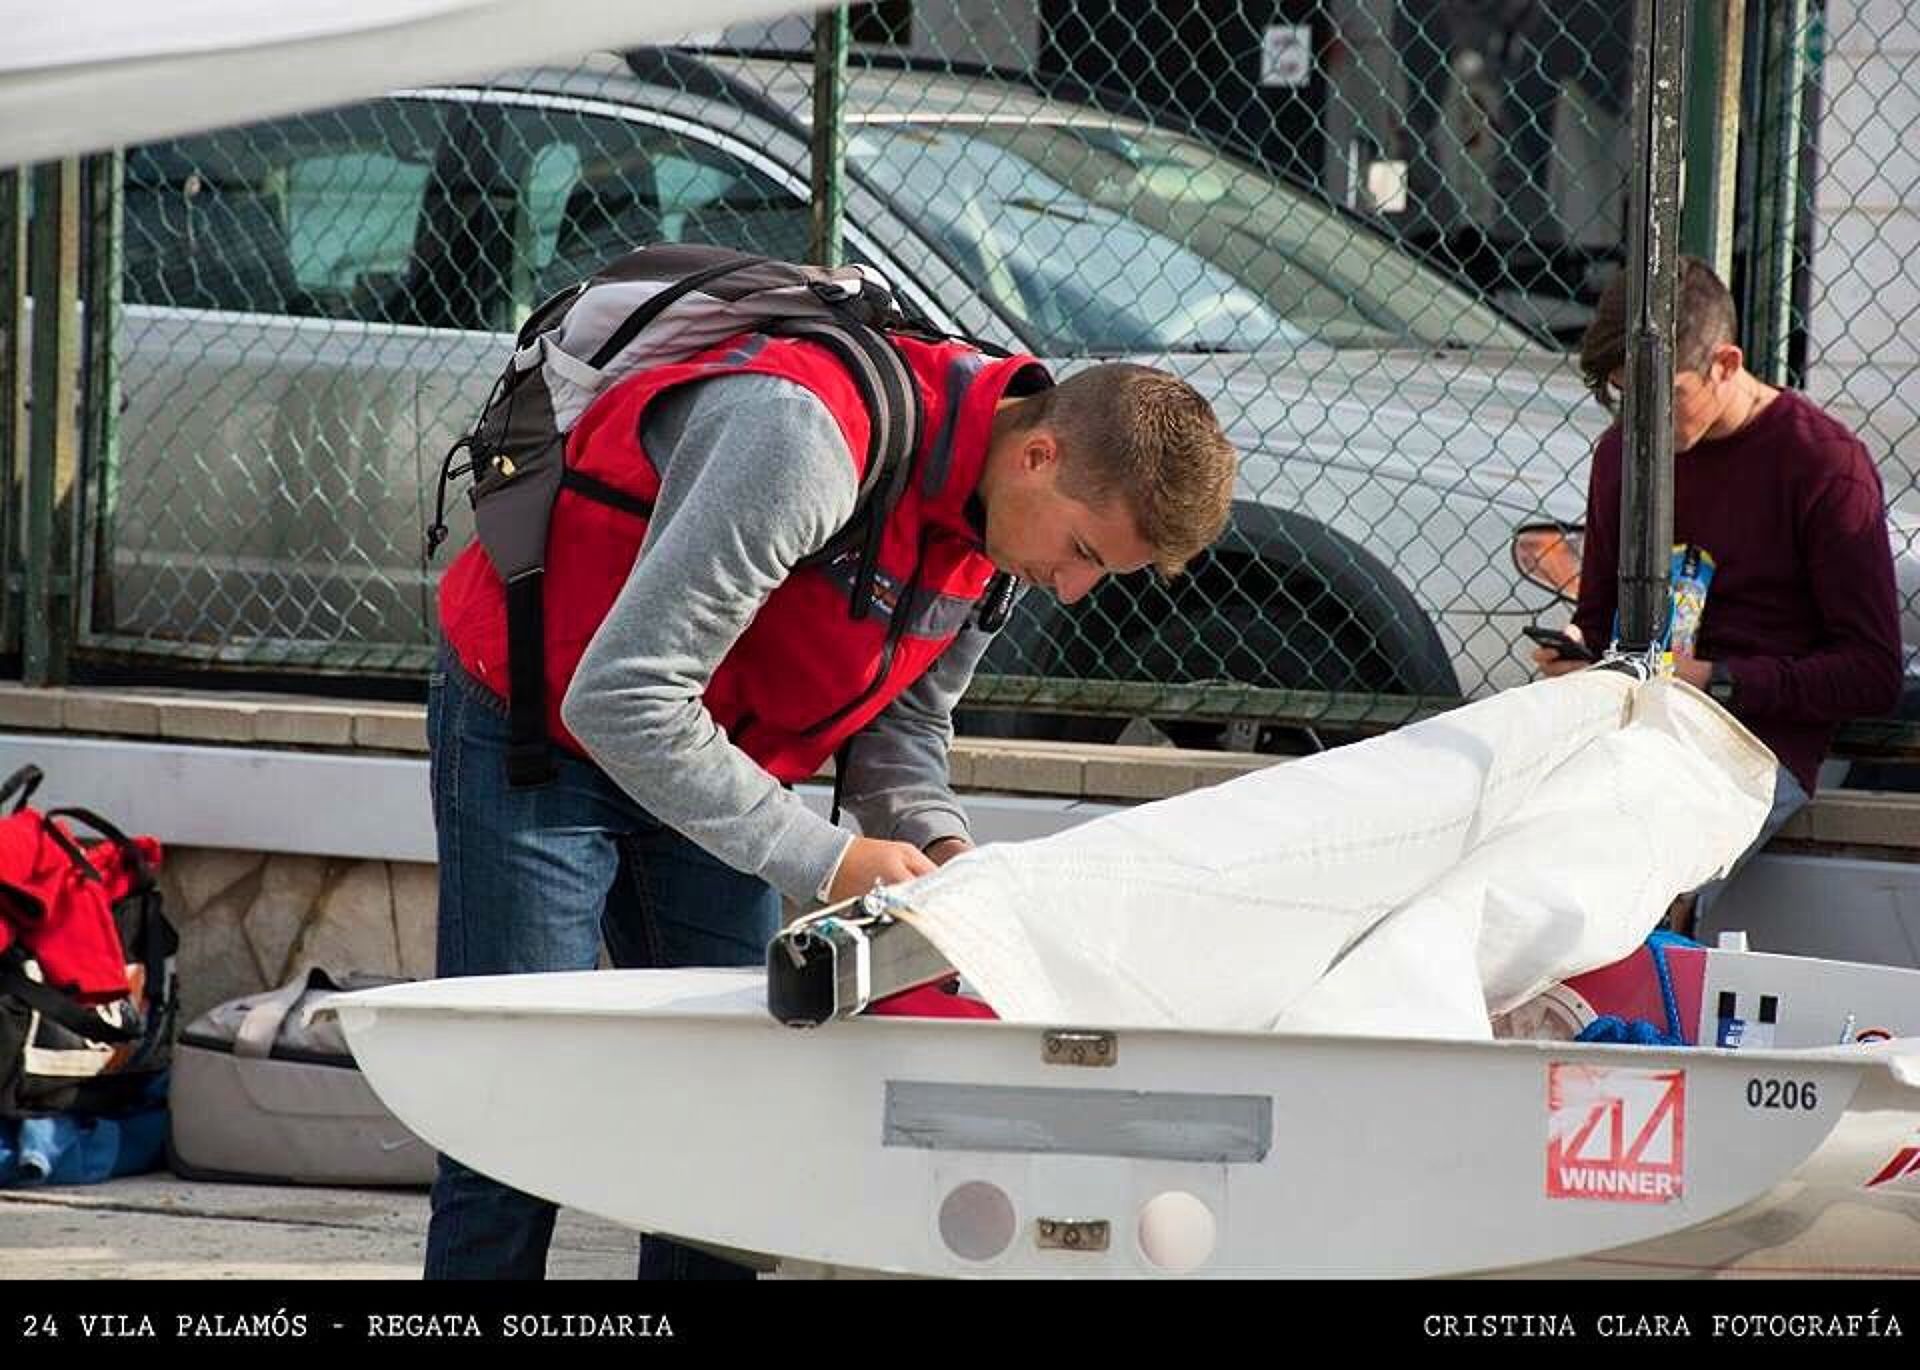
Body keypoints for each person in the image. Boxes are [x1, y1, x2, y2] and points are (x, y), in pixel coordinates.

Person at [424, 327, 1239, 1279]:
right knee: (514, 1111)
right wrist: (830, 860)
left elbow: (902, 729)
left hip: (715, 756)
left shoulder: (997, 525)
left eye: (1104, 573)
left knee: (732, 1118)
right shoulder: (801, 442)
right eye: (1083, 550)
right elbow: (619, 699)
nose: (1071, 588)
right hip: (543, 730)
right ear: (1038, 452)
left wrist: (937, 844)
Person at [1533, 256, 1903, 925]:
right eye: (1625, 396)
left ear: (1726, 364)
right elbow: (1595, 617)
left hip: (1750, 745)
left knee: (1639, 875)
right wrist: (1576, 651)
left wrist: (1719, 680)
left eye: (1664, 396)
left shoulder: (1824, 465)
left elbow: (1871, 672)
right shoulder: (1623, 454)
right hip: (1631, 721)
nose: (1643, 421)